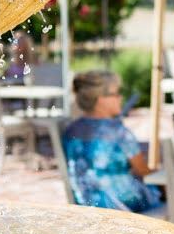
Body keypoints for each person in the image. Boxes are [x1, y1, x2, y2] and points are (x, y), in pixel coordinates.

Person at [61, 70, 161, 212]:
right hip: (121, 204)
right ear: (101, 99)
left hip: (85, 202)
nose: (120, 97)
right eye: (116, 93)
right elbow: (142, 170)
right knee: (163, 191)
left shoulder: (71, 130)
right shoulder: (118, 131)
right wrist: (161, 172)